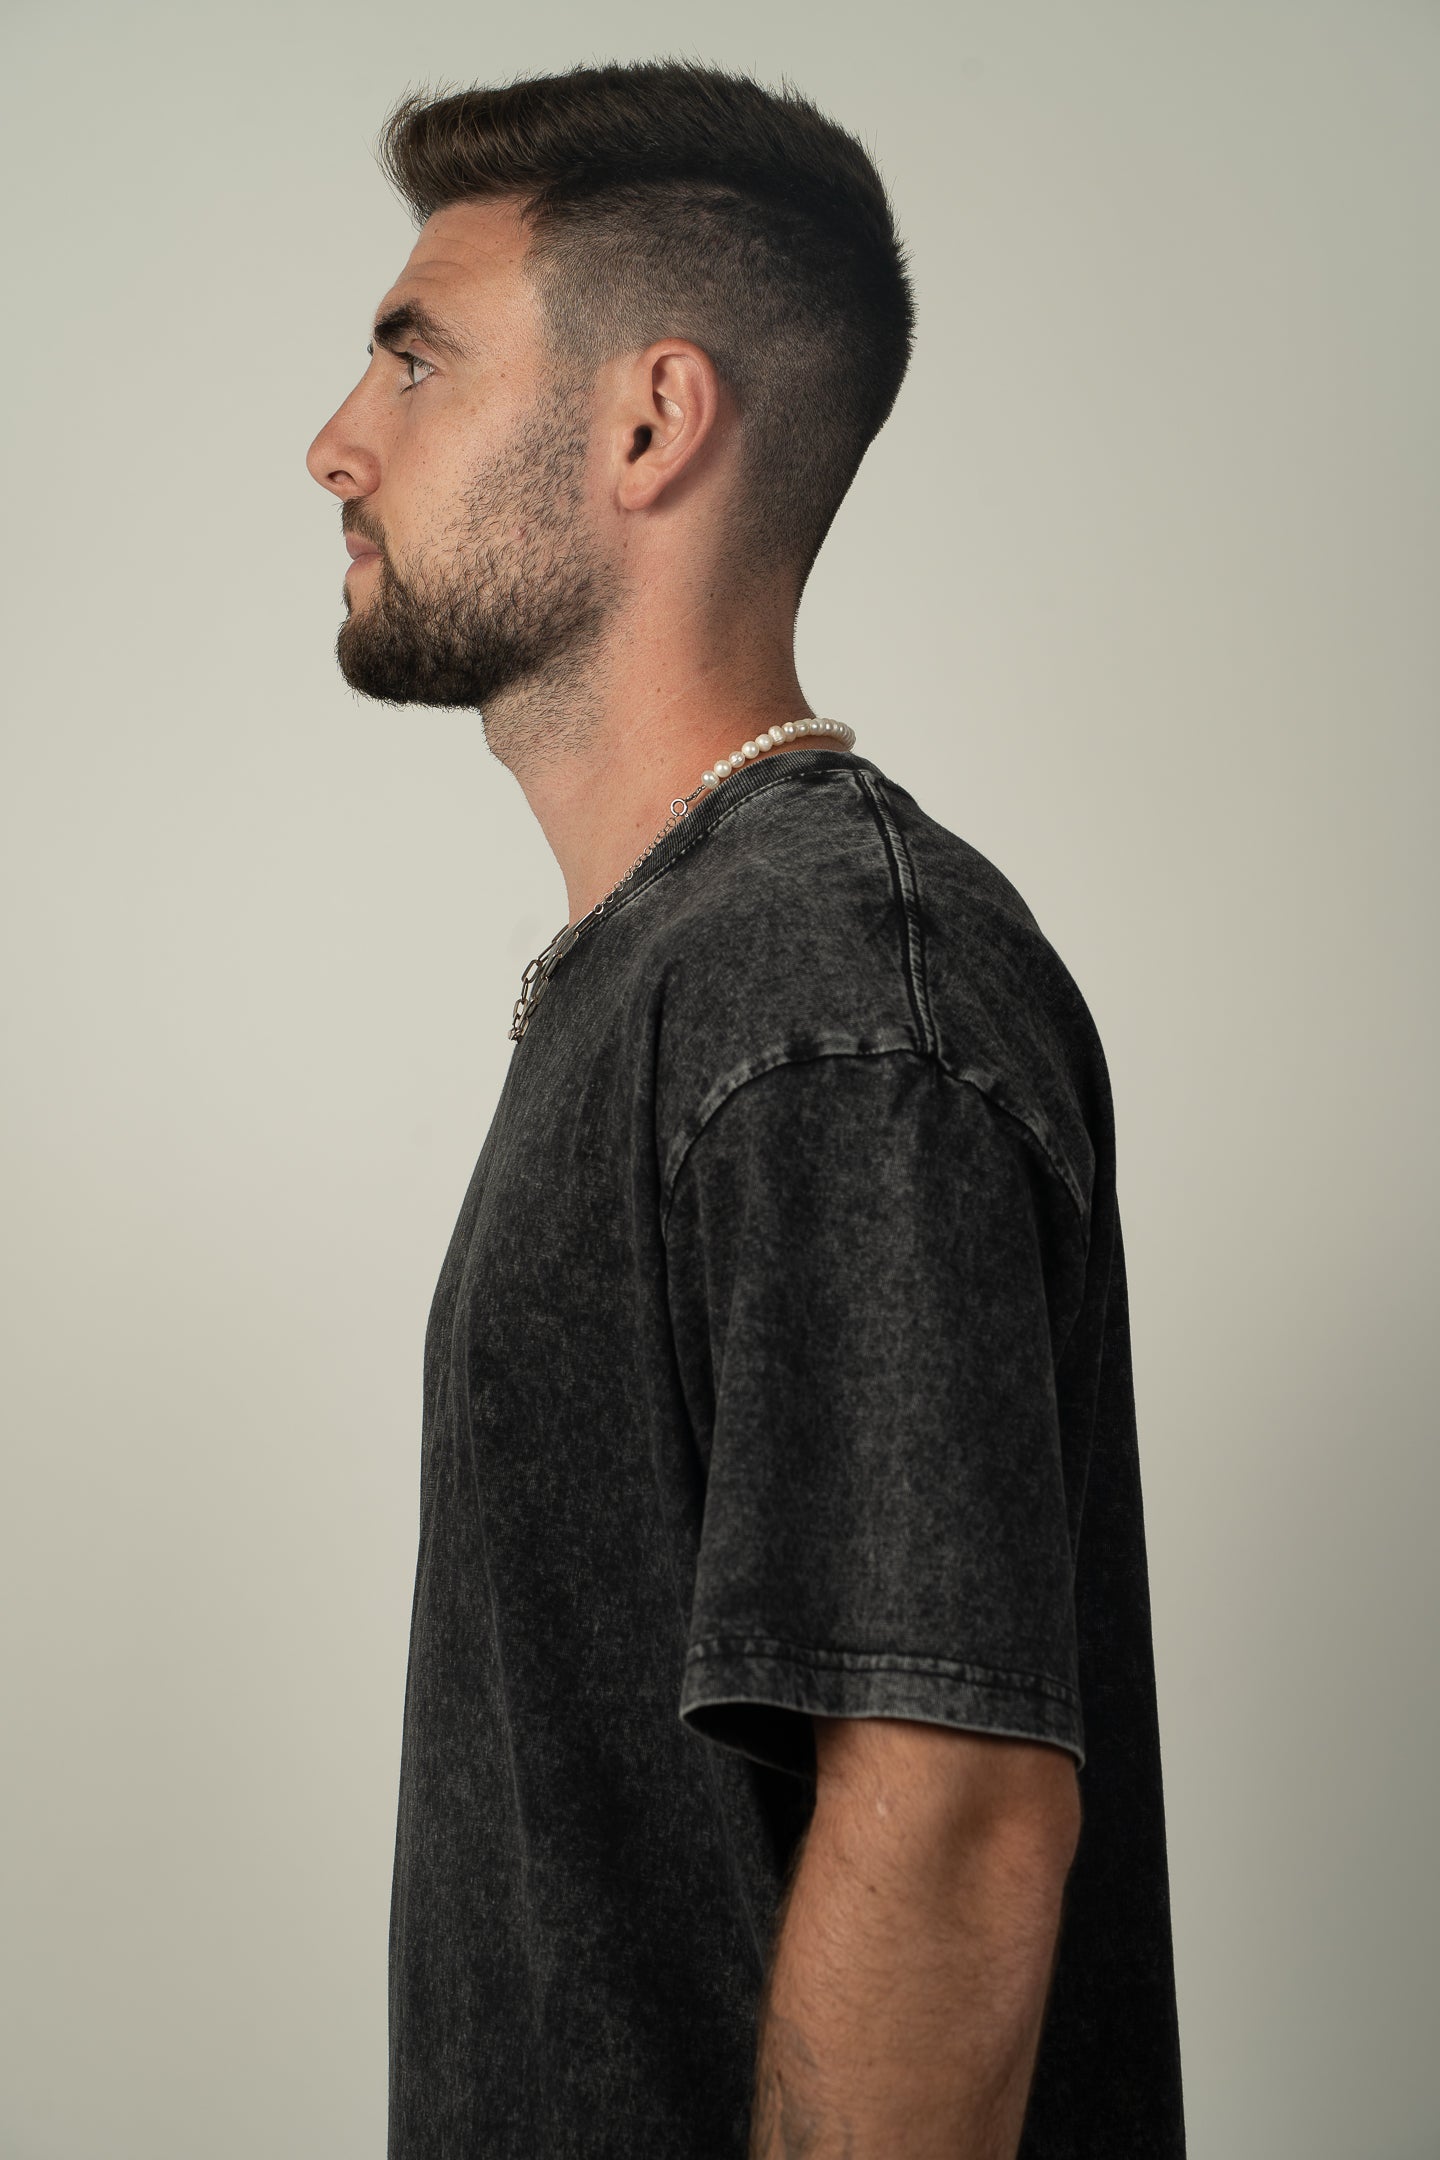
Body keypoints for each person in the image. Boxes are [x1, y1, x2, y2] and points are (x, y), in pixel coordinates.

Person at [305, 58, 1186, 2160]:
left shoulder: (827, 990)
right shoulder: (690, 973)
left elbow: (952, 1815)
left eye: (415, 358)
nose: (335, 439)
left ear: (650, 422)